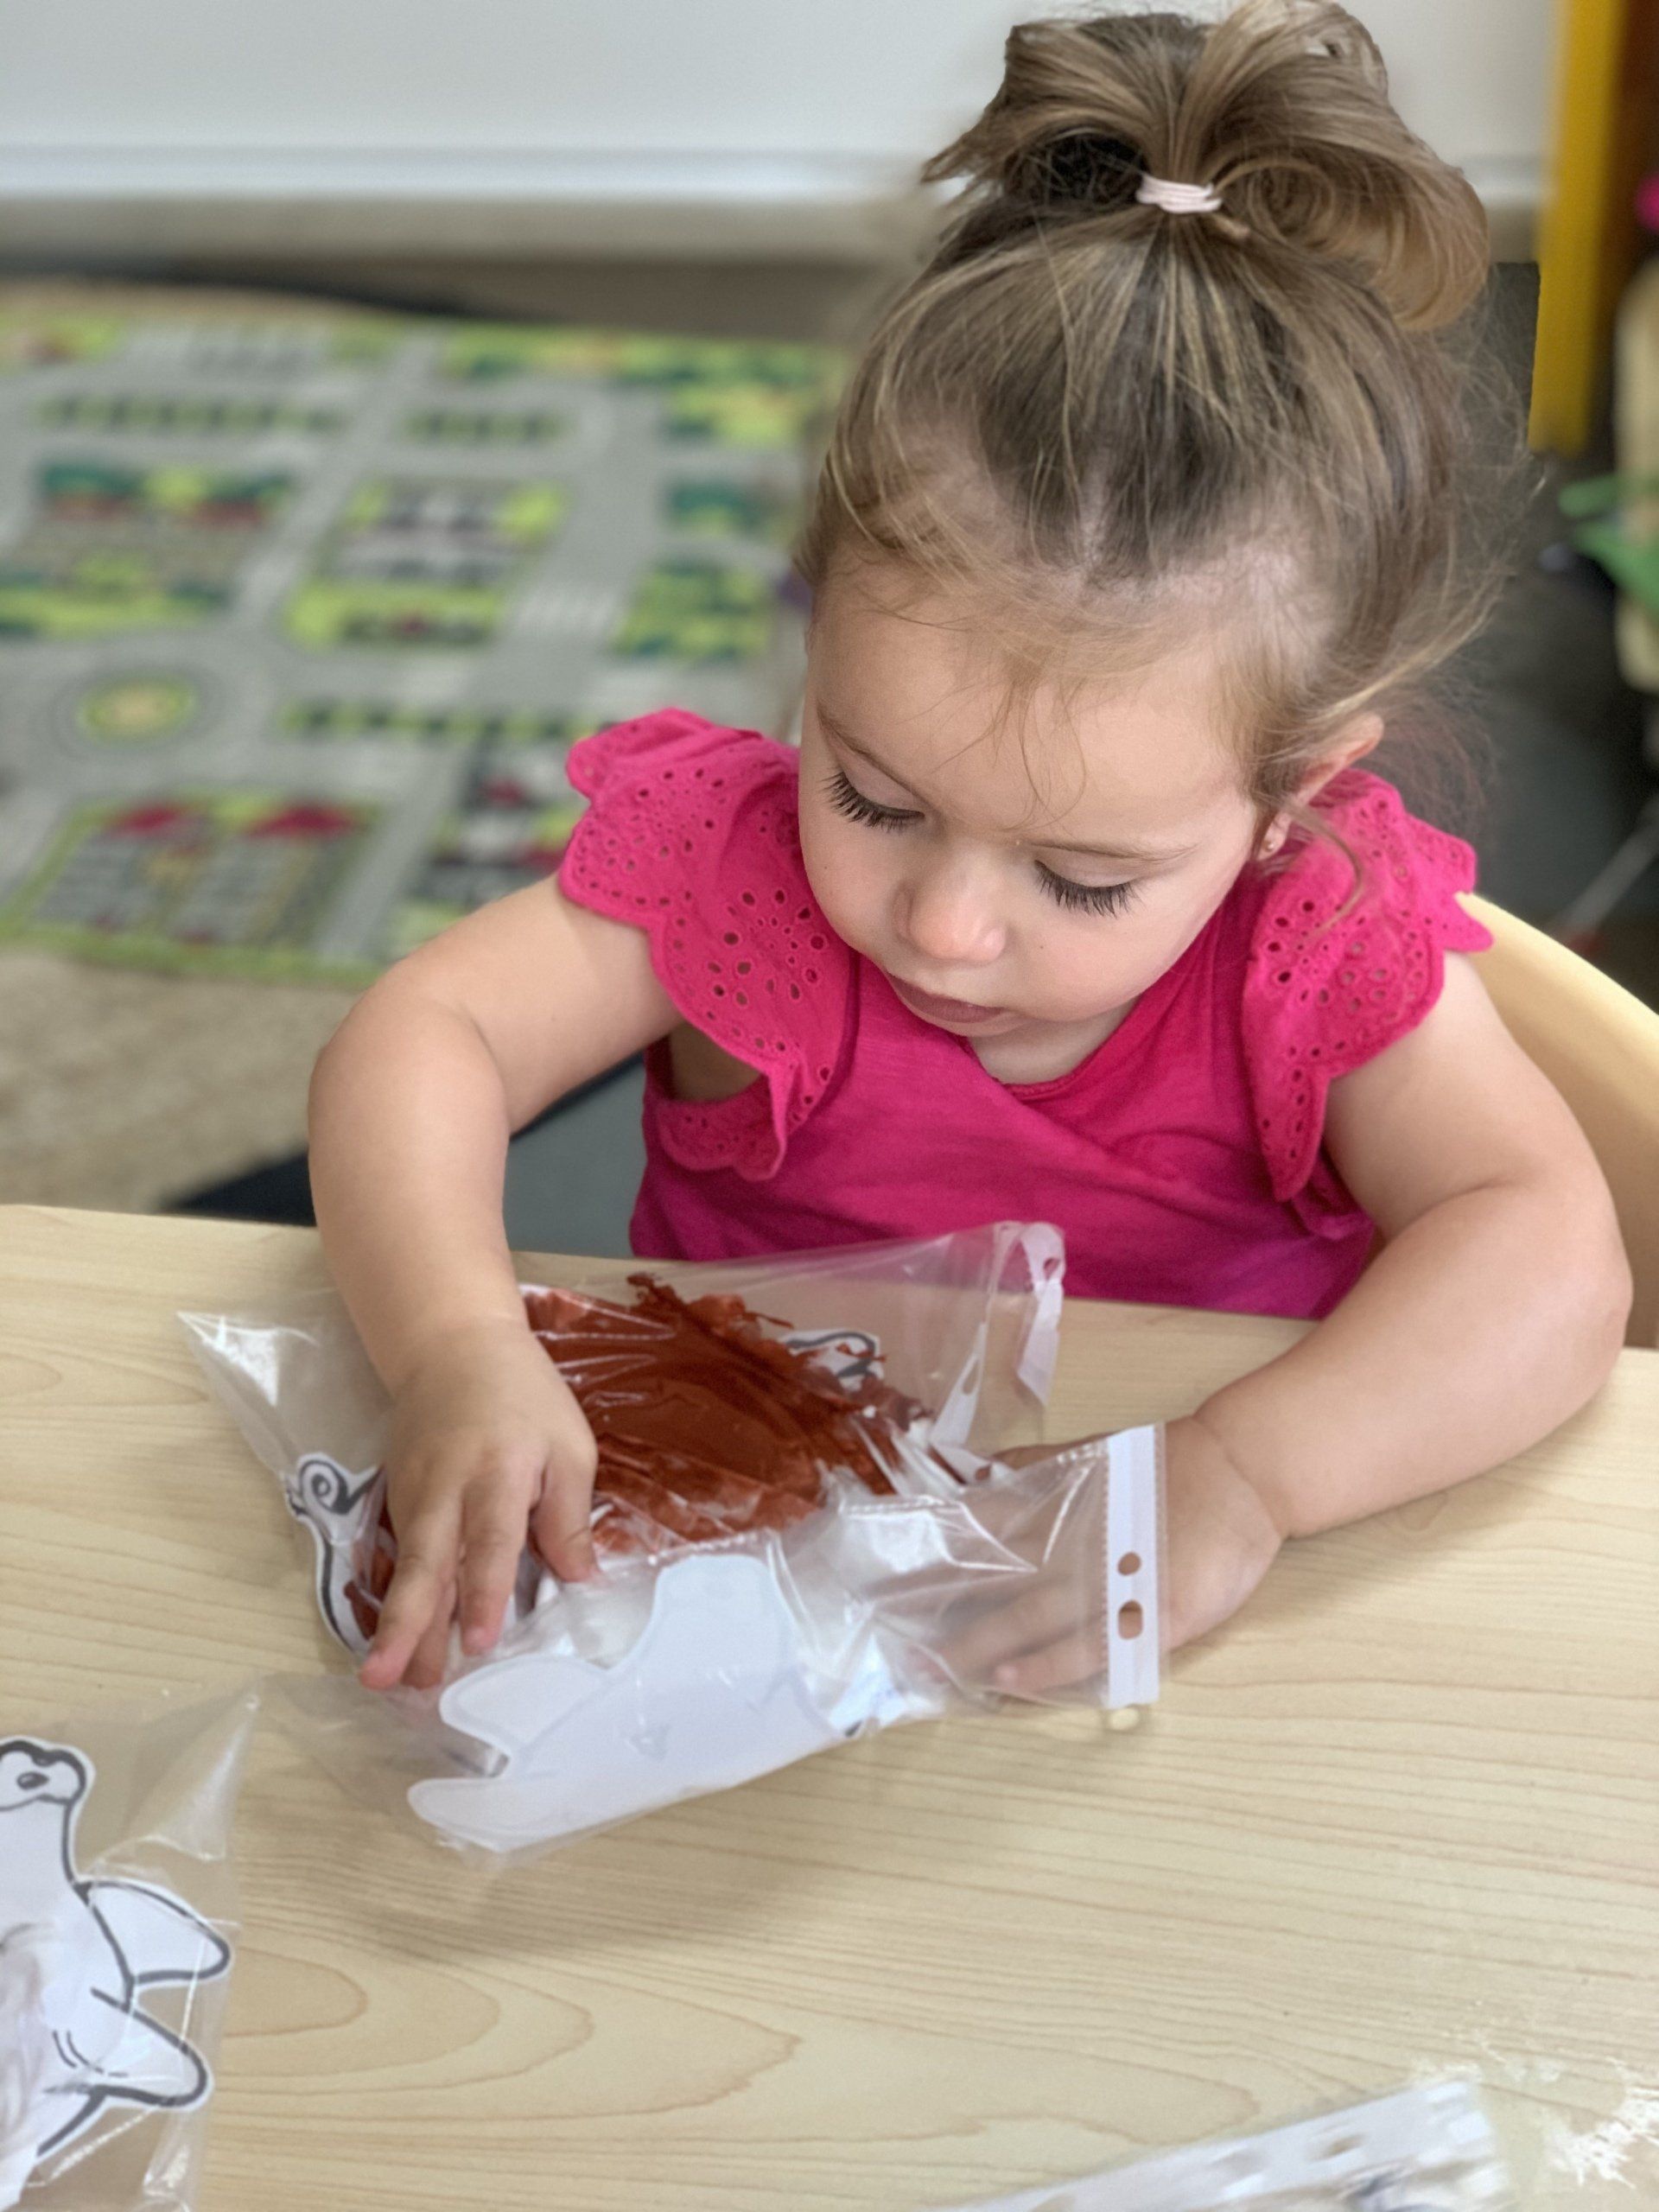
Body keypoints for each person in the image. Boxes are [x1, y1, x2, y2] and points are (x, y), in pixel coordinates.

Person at [308, 0, 1631, 1694]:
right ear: (815, 640)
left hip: (1181, 1628)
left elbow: (1548, 1249)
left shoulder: (1313, 935)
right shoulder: (734, 872)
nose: (940, 923)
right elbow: (422, 1035)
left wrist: (1246, 1471)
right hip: (734, 1582)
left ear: (1290, 795)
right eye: (873, 794)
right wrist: (454, 1344)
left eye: (1082, 879)